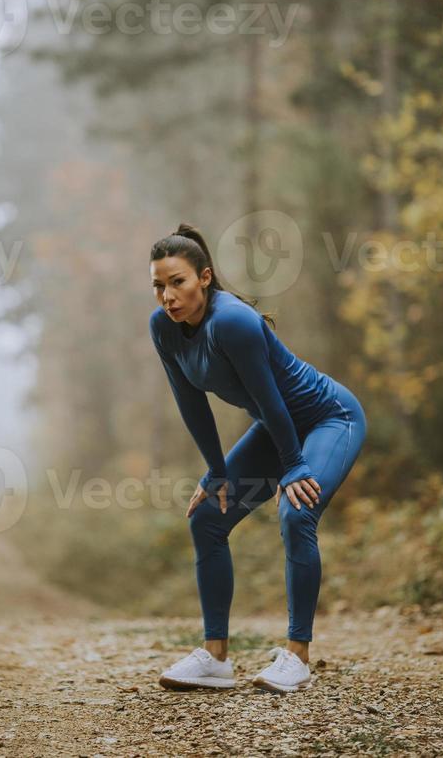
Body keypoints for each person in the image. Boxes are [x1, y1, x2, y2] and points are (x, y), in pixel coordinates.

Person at [148, 223, 367, 693]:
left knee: (296, 510)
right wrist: (216, 472)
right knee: (207, 518)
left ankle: (297, 656)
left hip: (330, 419)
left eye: (178, 282)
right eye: (159, 286)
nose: (167, 296)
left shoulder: (233, 322)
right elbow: (191, 404)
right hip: (278, 427)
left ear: (204, 277)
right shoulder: (163, 329)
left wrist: (294, 465)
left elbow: (271, 400)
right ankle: (215, 658)